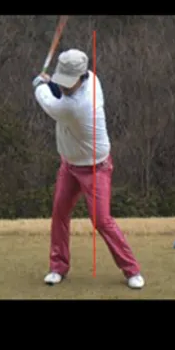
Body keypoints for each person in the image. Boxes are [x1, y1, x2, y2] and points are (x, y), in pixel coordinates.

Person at [33, 49, 145, 289]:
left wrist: (40, 85)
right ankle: (58, 267)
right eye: (61, 80)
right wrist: (51, 83)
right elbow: (59, 93)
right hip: (69, 165)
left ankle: (131, 269)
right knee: (59, 213)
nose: (64, 86)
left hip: (96, 168)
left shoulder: (78, 106)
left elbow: (49, 102)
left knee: (101, 221)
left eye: (68, 82)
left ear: (82, 77)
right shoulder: (92, 78)